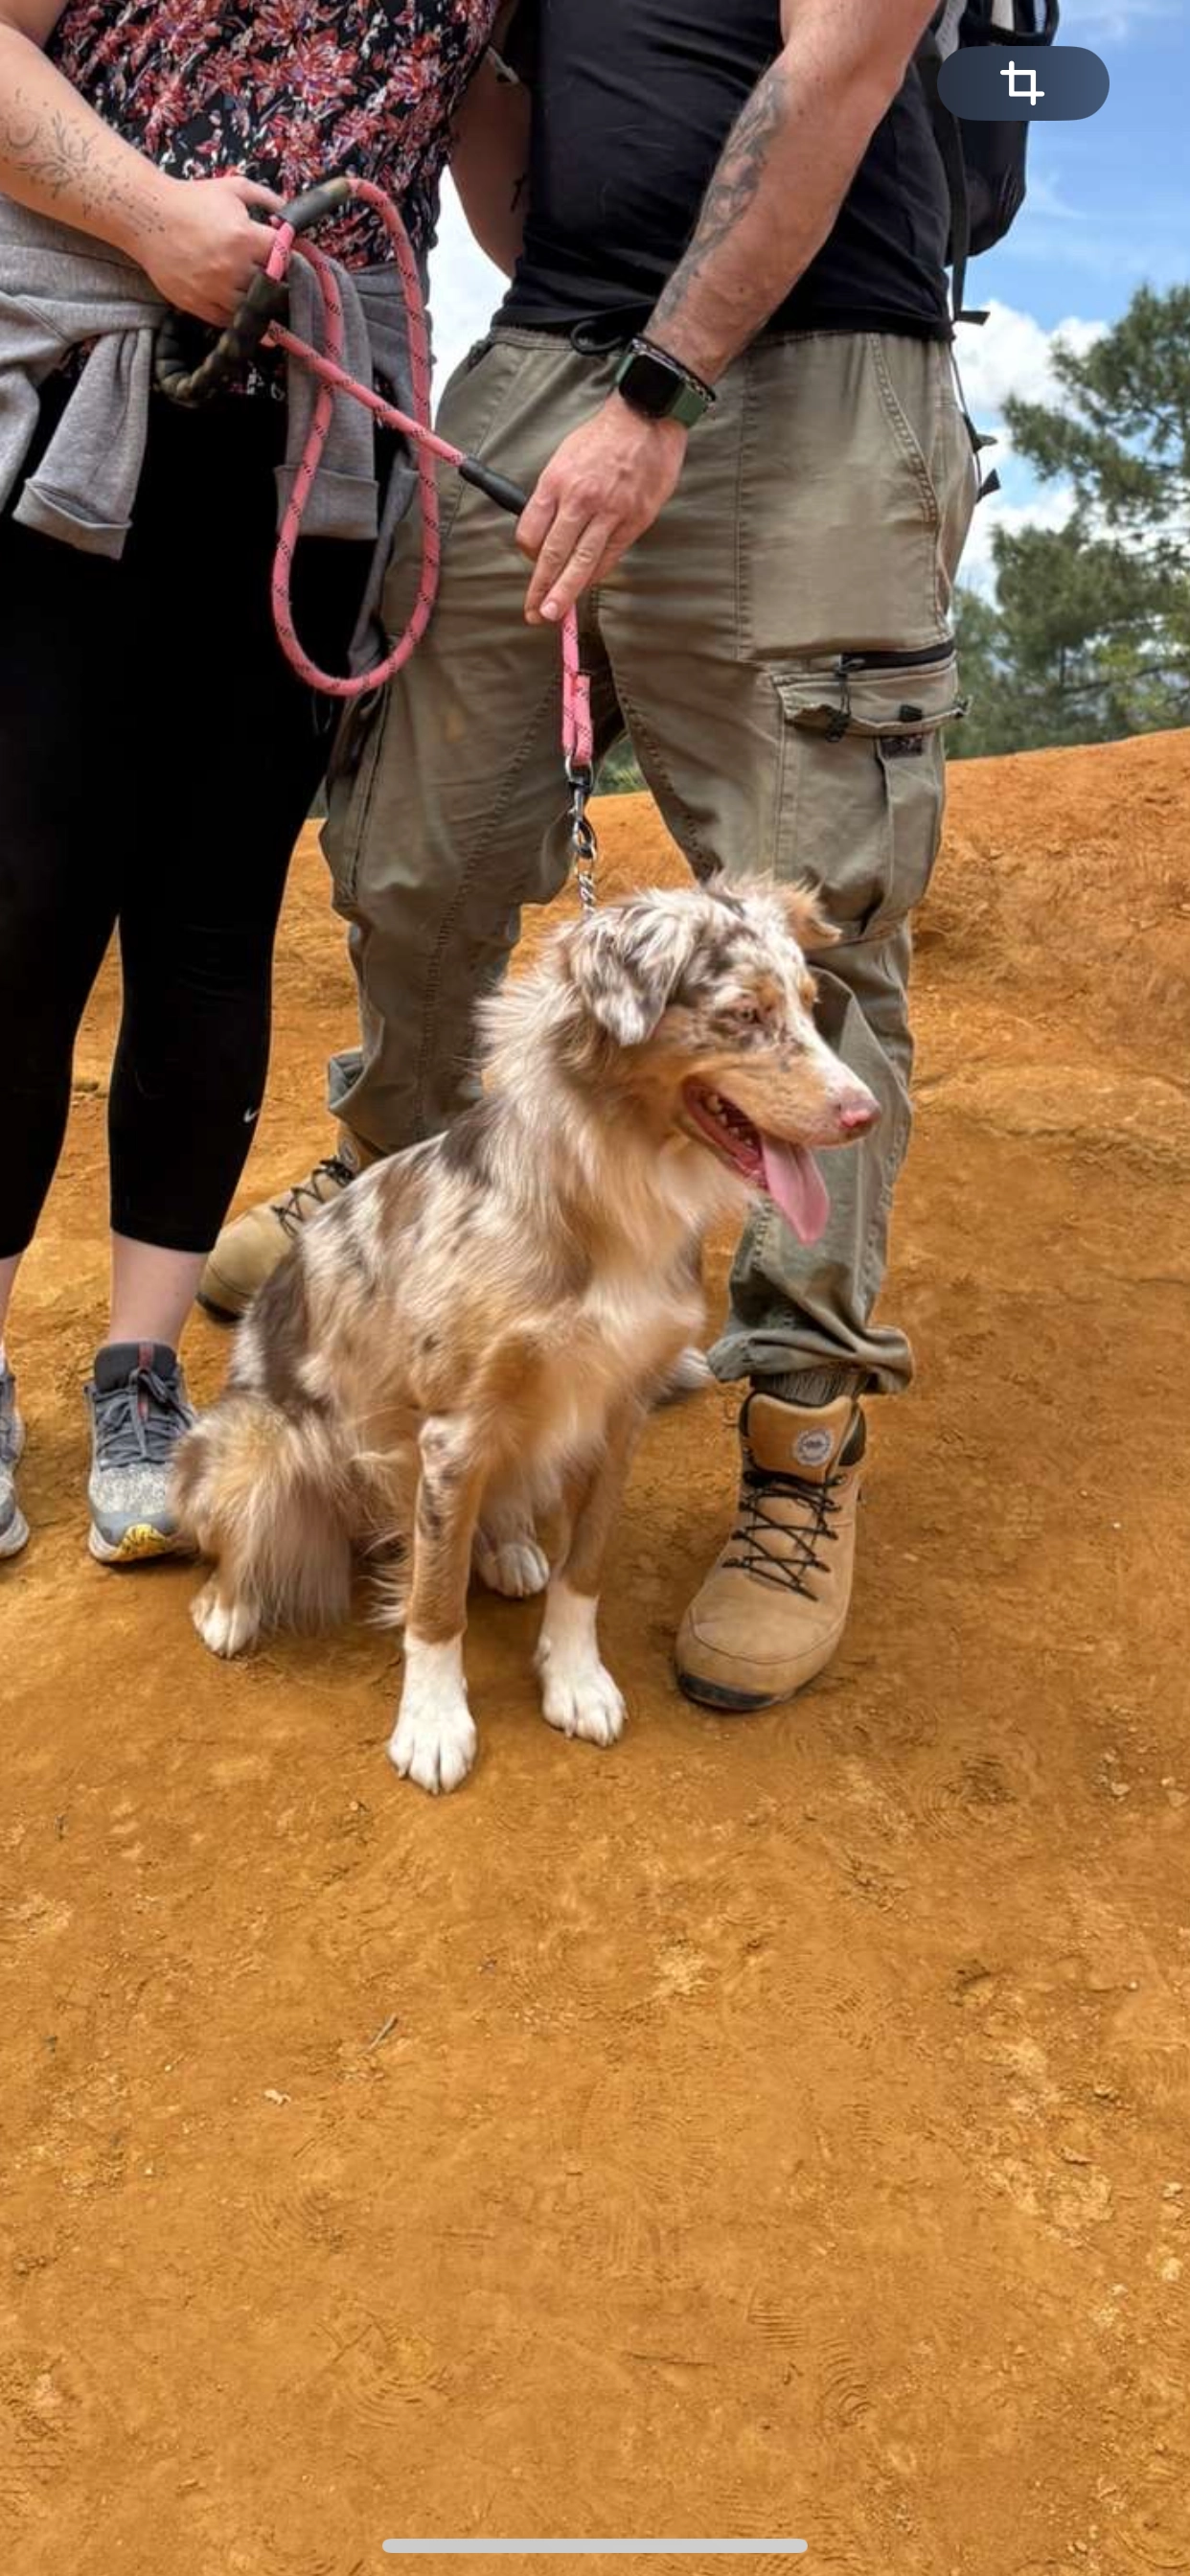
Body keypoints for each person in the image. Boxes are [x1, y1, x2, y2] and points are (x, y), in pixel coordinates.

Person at [202, 0, 980, 1711]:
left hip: (814, 364)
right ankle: (396, 1232)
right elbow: (521, 169)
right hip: (553, 353)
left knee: (812, 938)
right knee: (415, 853)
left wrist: (659, 389)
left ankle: (798, 1436)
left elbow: (836, 71)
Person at [0, 0, 516, 1567]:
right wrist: (153, 219)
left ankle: (140, 1372)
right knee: (22, 902)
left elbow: (505, 169)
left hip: (318, 433)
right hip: (81, 372)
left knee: (213, 923)